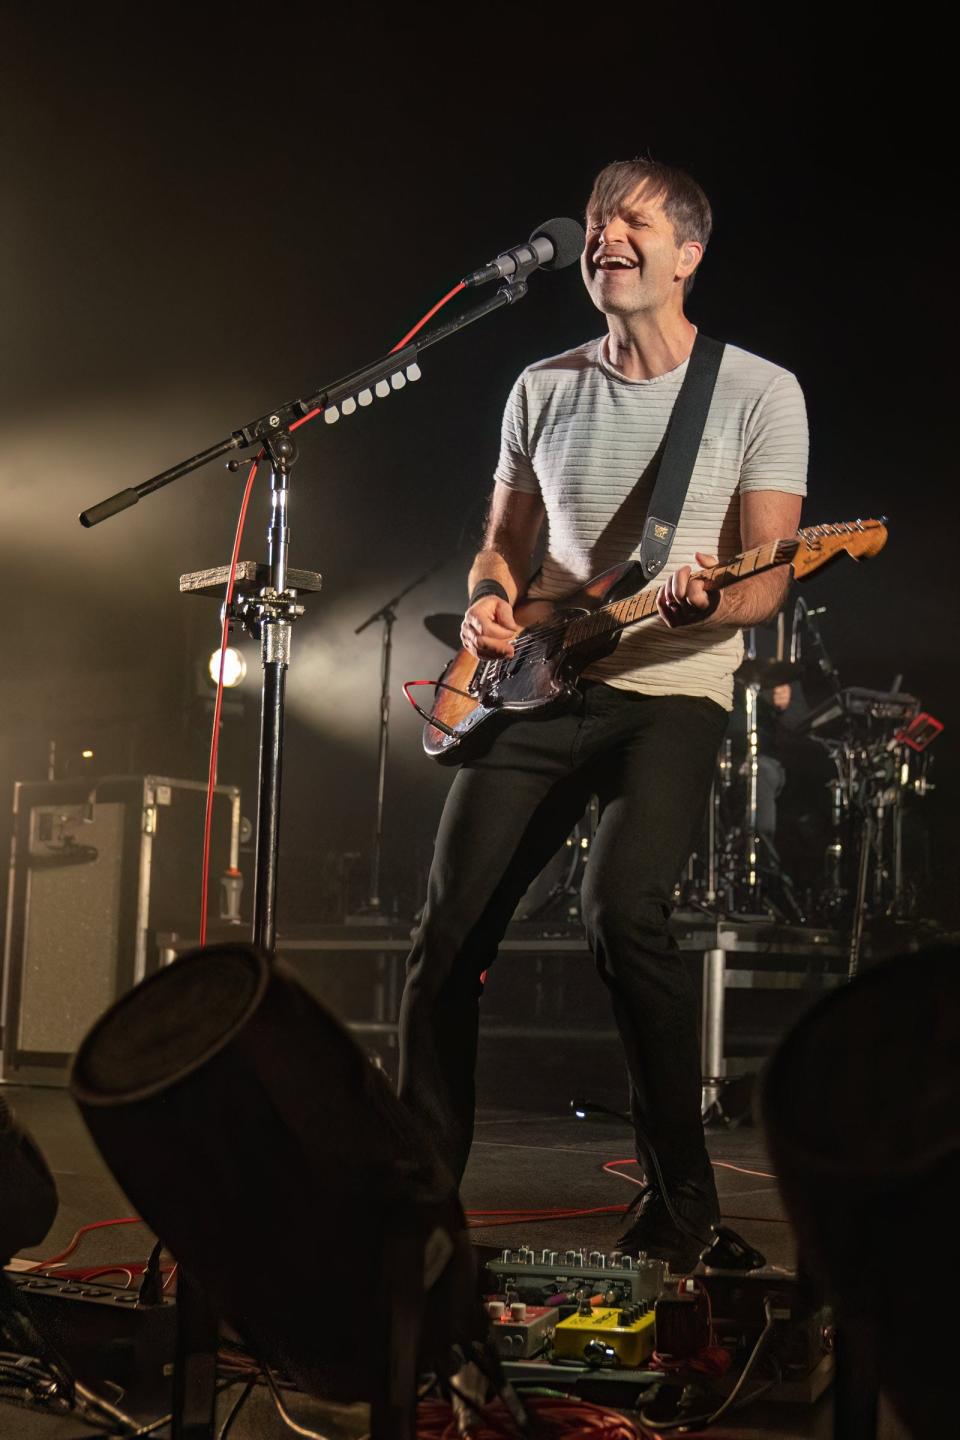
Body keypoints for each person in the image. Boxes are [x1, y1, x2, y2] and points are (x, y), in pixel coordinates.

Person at [398, 157, 808, 1270]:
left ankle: (684, 1206)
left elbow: (769, 575)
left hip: (669, 692)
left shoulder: (757, 390)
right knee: (446, 934)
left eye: (631, 221)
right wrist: (489, 597)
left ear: (689, 253)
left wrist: (708, 591)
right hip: (538, 682)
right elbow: (505, 542)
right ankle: (419, 1204)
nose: (604, 236)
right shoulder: (541, 383)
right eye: (594, 222)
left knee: (625, 913)